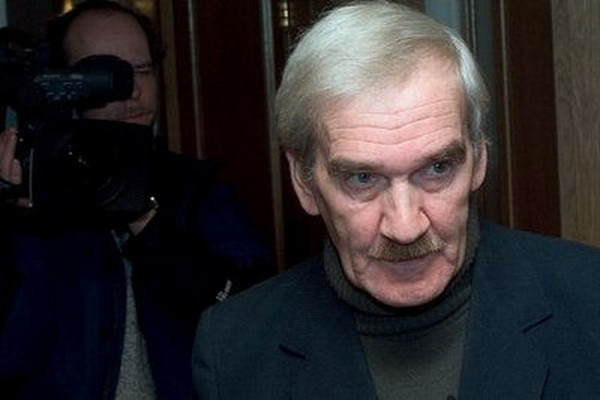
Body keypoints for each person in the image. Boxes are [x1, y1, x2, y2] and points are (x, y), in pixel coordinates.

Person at [191, 1, 600, 399]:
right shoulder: (234, 351)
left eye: (437, 168)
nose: (405, 228)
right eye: (363, 179)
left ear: (479, 159)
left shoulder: (590, 299)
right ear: (304, 180)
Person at [0, 1, 273, 399]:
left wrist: (148, 222)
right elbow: (11, 358)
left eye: (142, 70)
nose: (131, 90)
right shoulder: (32, 200)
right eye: (105, 73)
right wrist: (19, 223)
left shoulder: (197, 189)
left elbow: (258, 322)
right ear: (59, 85)